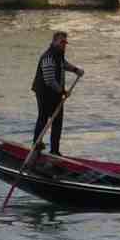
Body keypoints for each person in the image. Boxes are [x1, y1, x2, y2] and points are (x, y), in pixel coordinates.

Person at [30, 31, 82, 159]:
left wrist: (75, 70)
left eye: (65, 42)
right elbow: (49, 80)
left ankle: (54, 151)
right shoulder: (48, 57)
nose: (64, 45)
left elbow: (63, 64)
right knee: (43, 118)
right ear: (54, 42)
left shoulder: (58, 55)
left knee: (57, 122)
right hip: (45, 93)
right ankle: (36, 145)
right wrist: (63, 92)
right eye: (61, 42)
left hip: (56, 93)